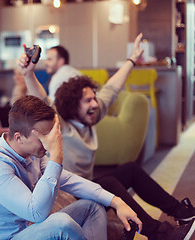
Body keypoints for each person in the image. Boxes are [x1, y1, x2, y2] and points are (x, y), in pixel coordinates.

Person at [17, 33, 195, 240]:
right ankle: (159, 233)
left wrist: (132, 59)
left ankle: (180, 212)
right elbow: (43, 99)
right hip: (66, 195)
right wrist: (28, 74)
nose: (95, 104)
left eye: (94, 99)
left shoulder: (91, 115)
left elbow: (112, 87)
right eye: (88, 101)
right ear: (73, 106)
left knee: (130, 169)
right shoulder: (60, 125)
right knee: (109, 183)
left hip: (87, 187)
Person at [0, 94, 142, 240]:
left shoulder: (31, 153)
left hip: (25, 230)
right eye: (43, 137)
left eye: (51, 135)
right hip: (2, 238)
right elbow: (36, 213)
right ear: (19, 137)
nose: (49, 143)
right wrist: (56, 156)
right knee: (62, 224)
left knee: (92, 207)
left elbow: (69, 180)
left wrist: (116, 201)